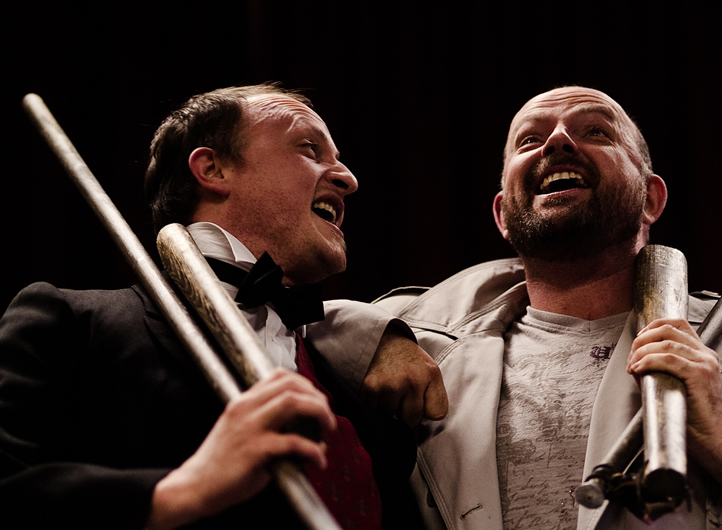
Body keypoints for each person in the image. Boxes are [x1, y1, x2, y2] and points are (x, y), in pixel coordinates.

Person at [309, 86, 722, 529]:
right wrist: (374, 340)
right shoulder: (421, 343)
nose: (558, 142)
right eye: (529, 139)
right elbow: (289, 324)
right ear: (502, 215)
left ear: (650, 199)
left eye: (596, 131)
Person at [0, 83, 446, 529]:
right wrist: (181, 491)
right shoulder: (69, 325)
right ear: (213, 169)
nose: (348, 179)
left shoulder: (368, 407)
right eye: (310, 149)